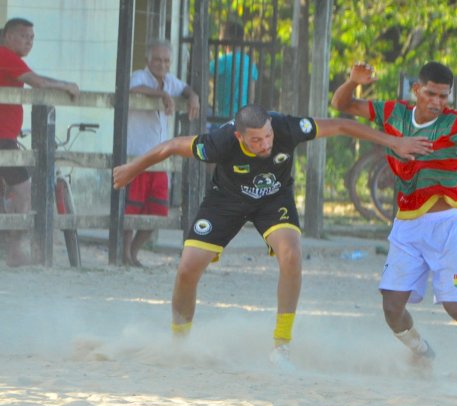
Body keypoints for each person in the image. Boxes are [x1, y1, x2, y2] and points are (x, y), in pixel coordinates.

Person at [112, 104, 432, 367]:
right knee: (186, 269)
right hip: (226, 200)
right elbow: (170, 146)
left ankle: (281, 346)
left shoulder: (286, 127)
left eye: (268, 137)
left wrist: (394, 142)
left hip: (273, 199)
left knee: (291, 255)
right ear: (239, 137)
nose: (265, 144)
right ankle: (179, 343)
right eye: (256, 141)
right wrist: (132, 169)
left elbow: (341, 125)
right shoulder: (219, 142)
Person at [331, 61, 457, 368]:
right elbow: (341, 104)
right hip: (406, 225)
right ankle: (422, 351)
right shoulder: (394, 113)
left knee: (455, 306)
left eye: (444, 96)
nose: (438, 102)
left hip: (444, 226)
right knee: (391, 309)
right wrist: (352, 81)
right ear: (417, 90)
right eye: (431, 94)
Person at [0, 18, 79, 266]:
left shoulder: (10, 59)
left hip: (8, 136)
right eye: (25, 36)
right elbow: (39, 82)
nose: (30, 42)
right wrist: (66, 85)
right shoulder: (6, 55)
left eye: (32, 38)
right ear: (8, 36)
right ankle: (14, 251)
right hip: (3, 138)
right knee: (24, 190)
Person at [123, 39, 200, 267]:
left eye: (166, 60)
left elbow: (184, 89)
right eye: (157, 59)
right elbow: (131, 89)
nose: (161, 64)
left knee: (157, 211)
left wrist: (192, 96)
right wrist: (160, 95)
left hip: (161, 159)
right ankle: (124, 254)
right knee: (131, 210)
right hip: (137, 155)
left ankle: (134, 253)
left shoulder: (169, 81)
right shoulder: (140, 76)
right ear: (148, 60)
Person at [210, 20, 258, 120]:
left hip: (223, 116)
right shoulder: (250, 63)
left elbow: (204, 75)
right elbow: (252, 95)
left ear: (226, 38)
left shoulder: (222, 61)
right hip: (243, 117)